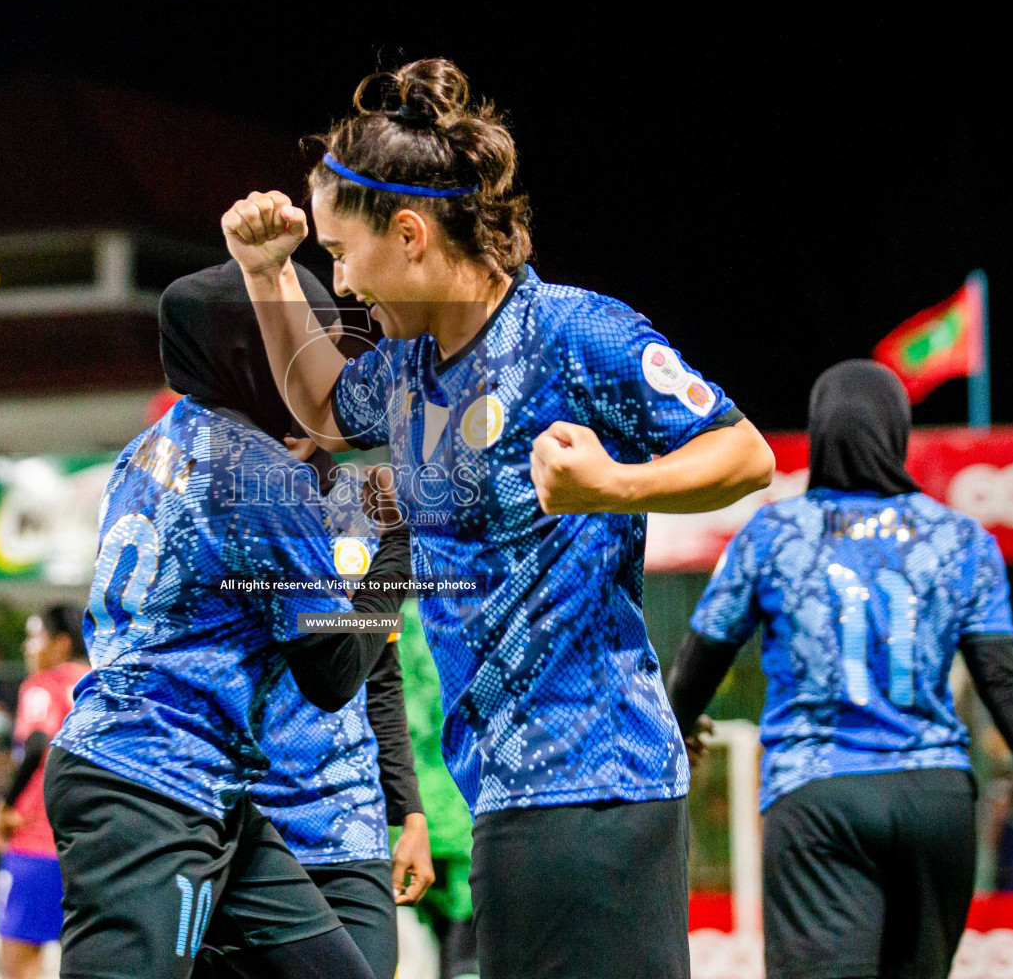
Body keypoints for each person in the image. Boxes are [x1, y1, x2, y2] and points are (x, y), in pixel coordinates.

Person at [222, 58, 774, 978]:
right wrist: (264, 272)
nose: (342, 282)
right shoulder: (405, 372)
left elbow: (744, 453)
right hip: (502, 797)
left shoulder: (575, 332)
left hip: (604, 792)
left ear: (407, 235)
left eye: (335, 252)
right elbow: (320, 405)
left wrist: (614, 487)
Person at [45, 260, 414, 979]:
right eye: (304, 343)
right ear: (254, 352)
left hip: (197, 779)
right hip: (151, 785)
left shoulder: (147, 447)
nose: (326, 371)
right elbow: (334, 673)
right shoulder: (261, 476)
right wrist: (397, 548)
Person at [668, 359, 1013, 979]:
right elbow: (1005, 680)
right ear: (898, 433)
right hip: (935, 798)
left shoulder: (773, 533)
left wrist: (677, 726)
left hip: (818, 799)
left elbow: (701, 654)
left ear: (820, 434)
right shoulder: (961, 540)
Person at [197, 376, 435, 979]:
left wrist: (409, 813)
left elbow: (376, 678)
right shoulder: (220, 508)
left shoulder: (371, 512)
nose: (286, 416)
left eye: (299, 395)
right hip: (245, 827)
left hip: (348, 828)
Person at [0, 605, 90, 979]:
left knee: (18, 960)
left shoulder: (41, 685)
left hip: (36, 842)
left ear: (61, 644)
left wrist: (5, 804)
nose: (28, 647)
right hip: (88, 847)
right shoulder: (100, 683)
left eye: (36, 637)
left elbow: (35, 744)